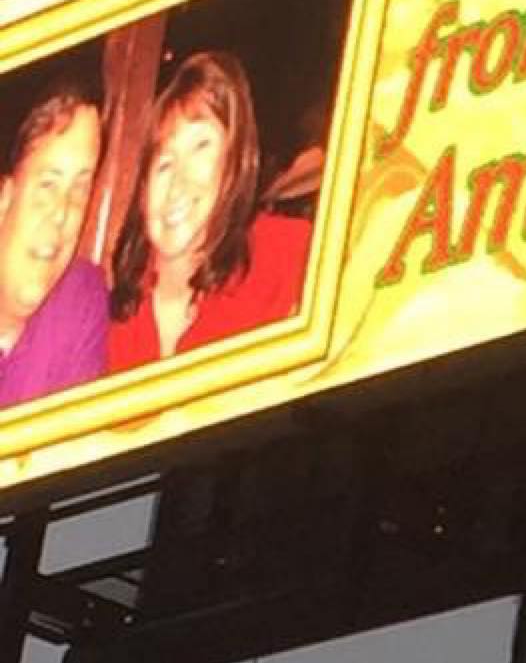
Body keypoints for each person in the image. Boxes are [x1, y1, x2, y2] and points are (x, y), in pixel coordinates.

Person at [109, 51, 311, 370]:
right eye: (164, 163)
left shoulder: (288, 254)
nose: (178, 183)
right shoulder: (110, 320)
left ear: (234, 163)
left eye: (201, 147)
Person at [0, 81, 106, 409]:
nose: (62, 213)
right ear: (4, 197)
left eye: (79, 188)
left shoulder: (80, 300)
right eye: (48, 184)